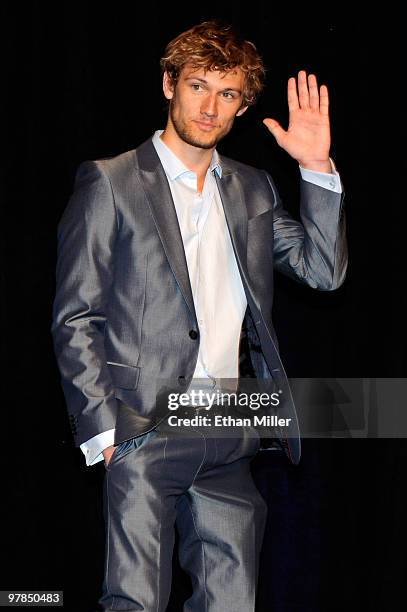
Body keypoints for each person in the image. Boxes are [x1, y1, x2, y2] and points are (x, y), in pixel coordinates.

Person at [51, 19, 347, 612]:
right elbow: (75, 316)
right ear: (169, 84)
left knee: (232, 604)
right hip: (144, 428)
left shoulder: (253, 188)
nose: (211, 107)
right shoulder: (110, 181)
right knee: (134, 602)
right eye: (198, 86)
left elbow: (323, 269)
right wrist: (108, 434)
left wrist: (316, 166)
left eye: (229, 93)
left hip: (230, 431)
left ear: (242, 106)